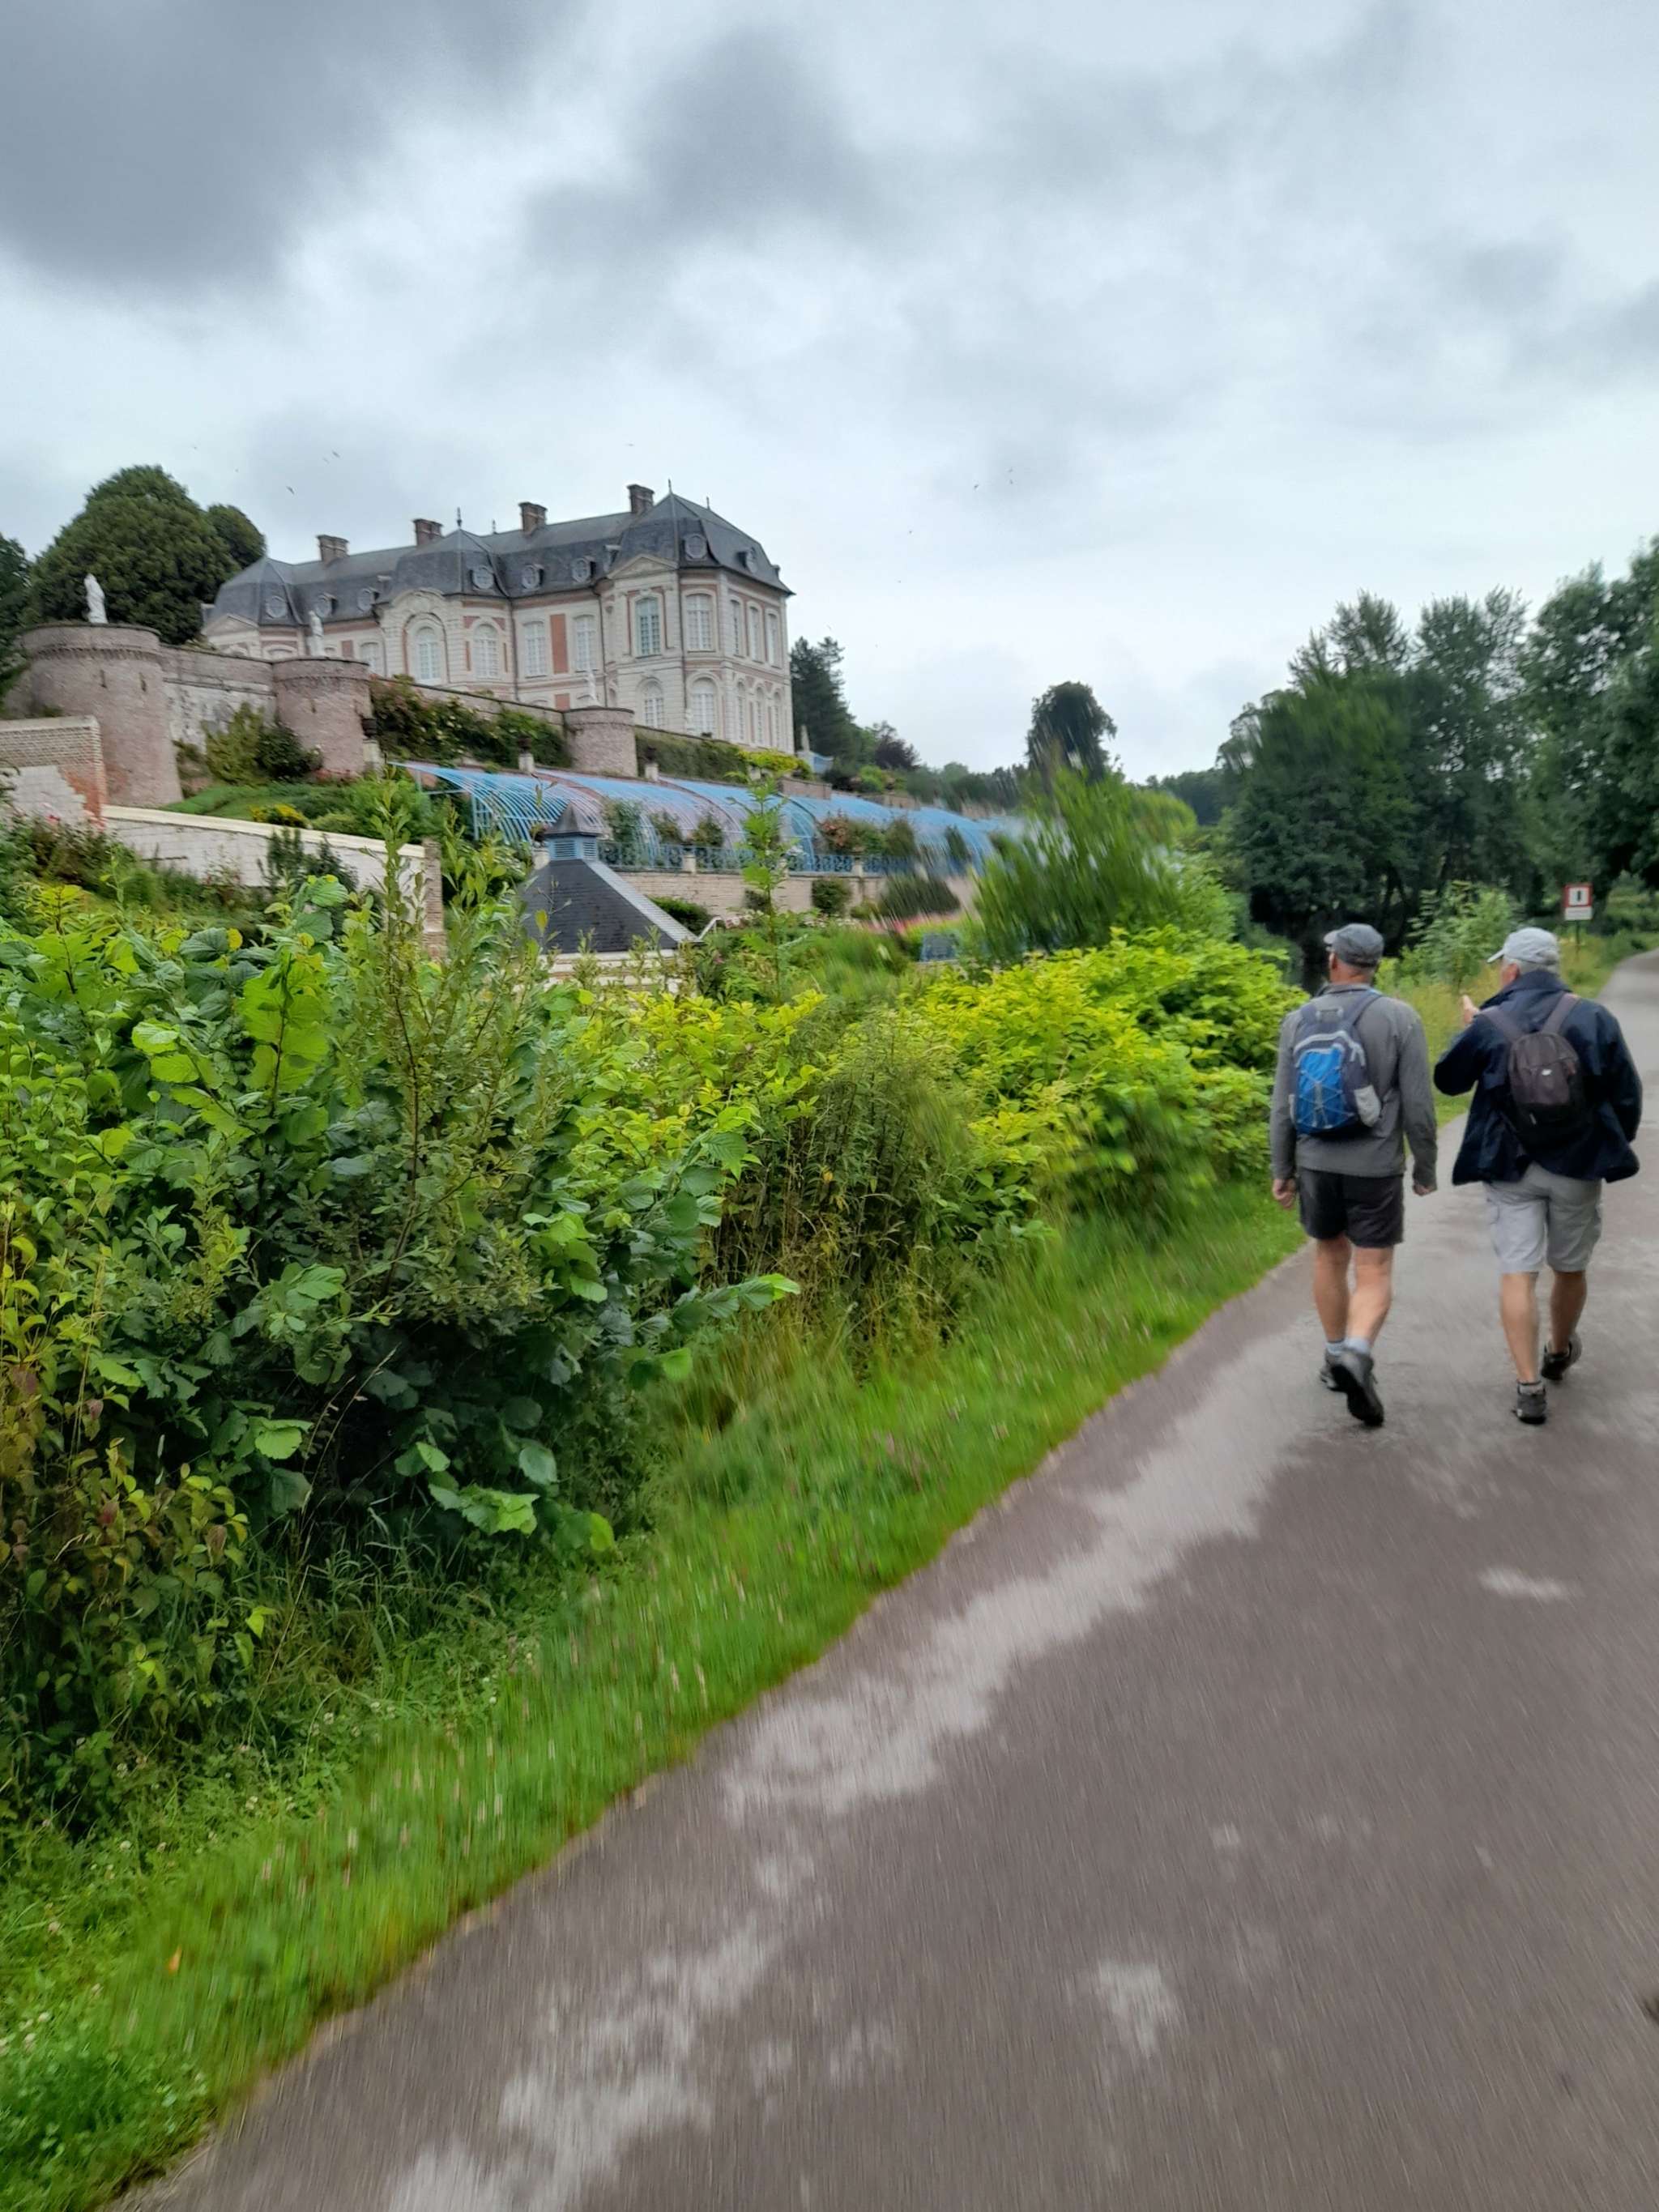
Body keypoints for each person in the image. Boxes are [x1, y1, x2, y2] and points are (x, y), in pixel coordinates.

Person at [1434, 926, 1641, 1426]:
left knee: (1518, 1271)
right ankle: (1559, 1350)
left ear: (1511, 971)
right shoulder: (1593, 1017)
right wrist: (1609, 1145)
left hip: (1510, 1168)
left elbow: (1448, 1080)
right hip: (1579, 1165)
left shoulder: (1489, 1023)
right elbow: (1627, 1094)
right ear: (1553, 967)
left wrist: (1472, 1028)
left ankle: (1529, 1388)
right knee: (1570, 1268)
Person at [1269, 922, 1438, 1427]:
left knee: (1328, 1255)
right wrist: (1425, 1167)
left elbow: (1282, 1105)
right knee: (1374, 1269)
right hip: (1375, 1166)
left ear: (1334, 961)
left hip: (1316, 1163)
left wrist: (1283, 1169)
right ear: (1376, 965)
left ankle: (1333, 1354)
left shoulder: (1298, 1019)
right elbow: (1420, 1106)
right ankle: (1358, 1353)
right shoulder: (1401, 1018)